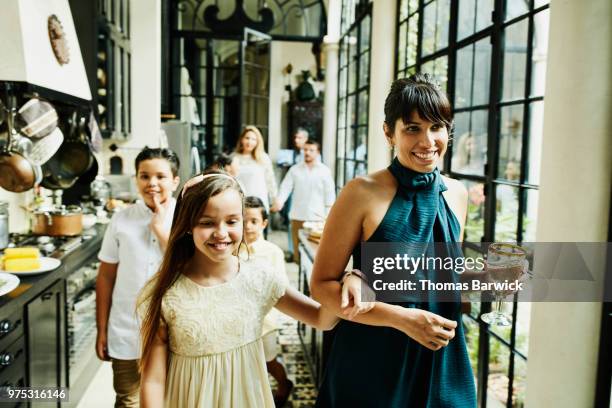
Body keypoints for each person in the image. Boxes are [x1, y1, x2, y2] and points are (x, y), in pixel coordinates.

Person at [136, 171, 373, 408]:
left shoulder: (260, 277)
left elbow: (322, 319)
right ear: (188, 225)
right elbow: (153, 381)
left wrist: (351, 277)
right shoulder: (165, 292)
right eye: (207, 222)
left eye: (231, 221)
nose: (221, 232)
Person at [310, 73, 477, 407]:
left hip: (441, 356)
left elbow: (438, 276)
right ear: (389, 133)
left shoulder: (457, 194)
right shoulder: (361, 192)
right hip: (373, 358)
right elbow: (321, 285)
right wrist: (401, 318)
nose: (427, 141)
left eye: (436, 127)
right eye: (412, 128)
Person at [96, 147, 180, 408]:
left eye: (160, 176)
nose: (152, 183)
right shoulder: (121, 220)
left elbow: (191, 270)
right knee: (127, 399)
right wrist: (102, 329)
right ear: (136, 179)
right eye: (144, 176)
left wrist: (160, 230)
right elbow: (106, 277)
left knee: (172, 399)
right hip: (126, 329)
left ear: (175, 181)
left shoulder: (189, 218)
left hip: (176, 331)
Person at [243, 196, 293, 406]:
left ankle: (284, 383)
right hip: (240, 320)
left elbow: (281, 287)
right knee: (246, 364)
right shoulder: (232, 248)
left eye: (253, 221)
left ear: (263, 223)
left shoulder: (273, 253)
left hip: (266, 321)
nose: (248, 226)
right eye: (243, 220)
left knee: (268, 360)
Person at [271, 140, 335, 263]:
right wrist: (279, 202)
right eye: (305, 150)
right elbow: (285, 187)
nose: (307, 153)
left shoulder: (324, 171)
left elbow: (330, 194)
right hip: (298, 216)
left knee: (314, 253)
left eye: (311, 150)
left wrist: (329, 215)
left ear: (317, 152)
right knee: (298, 255)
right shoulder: (294, 170)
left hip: (317, 218)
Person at [234, 126, 277, 210]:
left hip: (259, 200)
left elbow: (270, 180)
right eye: (247, 138)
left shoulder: (263, 158)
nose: (249, 142)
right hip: (239, 202)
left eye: (254, 139)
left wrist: (274, 199)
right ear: (242, 139)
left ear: (258, 142)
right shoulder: (234, 158)